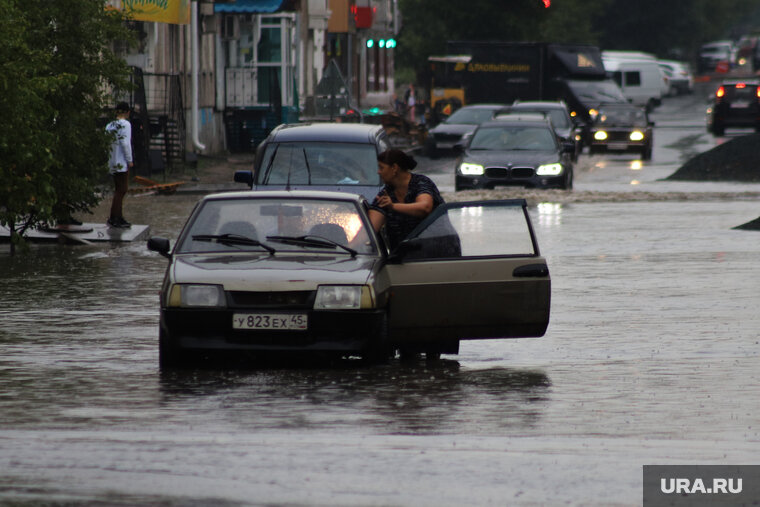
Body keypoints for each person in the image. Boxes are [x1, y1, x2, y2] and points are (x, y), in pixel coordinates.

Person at [369, 149, 445, 250]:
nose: (378, 172)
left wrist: (393, 206)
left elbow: (425, 208)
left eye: (381, 168)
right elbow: (369, 230)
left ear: (394, 168)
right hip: (403, 258)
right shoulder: (386, 194)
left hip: (437, 252)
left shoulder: (421, 182)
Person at [106, 102, 134, 228]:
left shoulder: (110, 125)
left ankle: (117, 216)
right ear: (127, 112)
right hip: (121, 162)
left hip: (112, 161)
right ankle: (115, 217)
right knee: (122, 190)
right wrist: (129, 160)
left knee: (118, 190)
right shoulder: (126, 124)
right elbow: (125, 143)